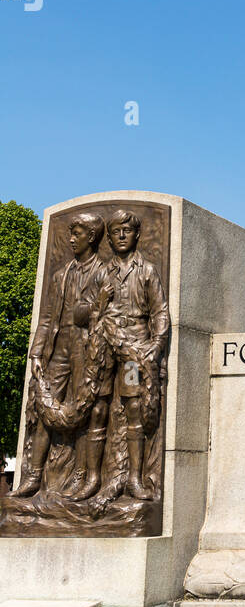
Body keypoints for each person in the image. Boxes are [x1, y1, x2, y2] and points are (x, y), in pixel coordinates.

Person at [75, 210, 170, 501]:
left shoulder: (147, 270)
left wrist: (156, 344)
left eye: (127, 231)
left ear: (136, 234)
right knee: (98, 407)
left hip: (132, 350)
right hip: (103, 347)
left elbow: (160, 311)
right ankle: (93, 478)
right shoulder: (102, 271)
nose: (121, 237)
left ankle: (134, 479)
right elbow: (81, 311)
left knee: (133, 407)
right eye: (116, 232)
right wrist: (98, 304)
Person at [15, 212, 108, 497]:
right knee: (45, 410)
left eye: (76, 234)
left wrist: (89, 311)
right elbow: (45, 319)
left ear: (90, 237)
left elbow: (106, 313)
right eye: (69, 233)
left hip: (86, 349)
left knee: (84, 410)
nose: (70, 239)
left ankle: (82, 476)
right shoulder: (60, 275)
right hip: (59, 349)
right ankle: (33, 476)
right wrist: (36, 353)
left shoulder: (103, 272)